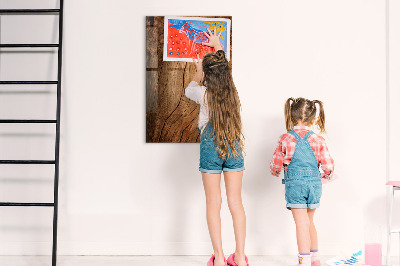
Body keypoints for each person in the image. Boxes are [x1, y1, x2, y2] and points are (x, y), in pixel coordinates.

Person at [185, 28, 248, 266]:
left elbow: (188, 89)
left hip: (211, 148)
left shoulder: (202, 94)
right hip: (233, 146)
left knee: (214, 203)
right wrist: (219, 46)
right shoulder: (233, 94)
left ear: (207, 77)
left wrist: (197, 73)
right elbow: (225, 71)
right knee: (236, 202)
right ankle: (240, 257)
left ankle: (220, 258)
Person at [270, 98, 335, 266]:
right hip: (314, 185)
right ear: (313, 120)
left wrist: (275, 171)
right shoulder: (318, 139)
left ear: (291, 117)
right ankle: (315, 260)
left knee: (301, 224)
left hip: (295, 186)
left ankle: (304, 261)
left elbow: (275, 164)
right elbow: (328, 165)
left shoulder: (285, 138)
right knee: (309, 222)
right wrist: (327, 176)